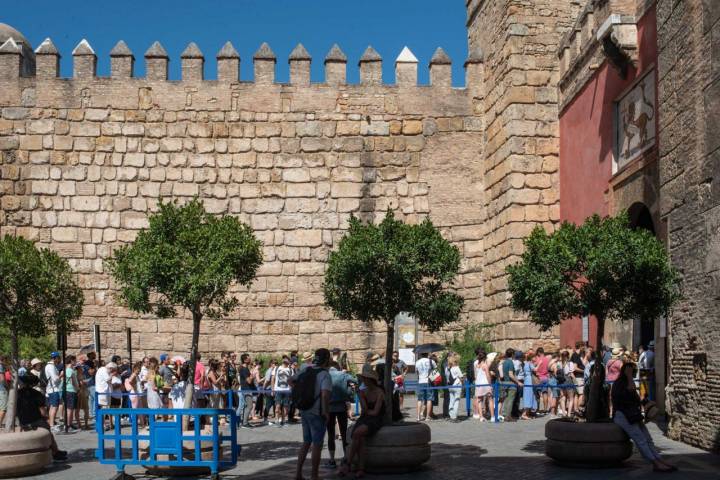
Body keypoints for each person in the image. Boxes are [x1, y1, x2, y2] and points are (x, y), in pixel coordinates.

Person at [611, 361, 677, 472]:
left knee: (648, 439)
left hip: (633, 415)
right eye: (630, 371)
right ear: (625, 372)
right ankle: (655, 463)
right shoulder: (620, 383)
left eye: (633, 371)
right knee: (640, 439)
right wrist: (628, 377)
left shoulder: (628, 382)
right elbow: (628, 392)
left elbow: (636, 398)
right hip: (623, 415)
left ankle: (659, 460)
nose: (632, 373)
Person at [339, 363, 384, 478]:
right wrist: (359, 394)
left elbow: (375, 412)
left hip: (375, 419)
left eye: (364, 379)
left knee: (357, 433)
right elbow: (364, 409)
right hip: (366, 418)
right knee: (361, 439)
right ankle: (361, 468)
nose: (363, 381)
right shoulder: (364, 391)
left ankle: (348, 463)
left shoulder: (379, 392)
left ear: (370, 380)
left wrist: (366, 411)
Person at [293, 348, 332, 480]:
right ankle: (314, 476)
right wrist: (326, 412)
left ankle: (298, 474)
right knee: (317, 444)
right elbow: (325, 394)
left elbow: (290, 380)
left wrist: (299, 393)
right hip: (316, 412)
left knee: (306, 442)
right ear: (327, 359)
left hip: (304, 410)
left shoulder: (306, 369)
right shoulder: (325, 374)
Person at [16, 374, 67, 461]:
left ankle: (55, 451)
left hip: (22, 420)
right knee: (48, 430)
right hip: (35, 420)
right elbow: (43, 412)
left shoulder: (17, 394)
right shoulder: (37, 394)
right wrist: (47, 418)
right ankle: (55, 451)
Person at [325, 361, 356, 469]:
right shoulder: (343, 374)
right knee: (344, 433)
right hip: (342, 407)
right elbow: (356, 381)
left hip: (329, 408)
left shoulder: (326, 375)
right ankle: (346, 458)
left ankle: (332, 460)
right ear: (337, 367)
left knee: (330, 435)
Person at [95, 361, 118, 430]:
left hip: (105, 392)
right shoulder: (103, 370)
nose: (112, 372)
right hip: (103, 392)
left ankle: (103, 425)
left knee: (105, 409)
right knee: (104, 409)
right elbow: (108, 380)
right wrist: (112, 375)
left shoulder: (102, 370)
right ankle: (102, 425)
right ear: (110, 368)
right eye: (112, 370)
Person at [45, 352, 64, 431]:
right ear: (55, 358)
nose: (59, 359)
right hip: (53, 389)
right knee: (54, 407)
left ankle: (51, 424)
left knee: (52, 407)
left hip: (51, 389)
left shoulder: (50, 366)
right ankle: (52, 425)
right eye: (58, 357)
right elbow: (55, 379)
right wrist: (61, 375)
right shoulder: (51, 367)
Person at [237, 353, 255, 428]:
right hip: (246, 390)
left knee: (246, 406)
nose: (250, 359)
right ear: (245, 360)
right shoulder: (244, 369)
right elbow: (249, 381)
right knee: (250, 406)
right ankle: (245, 423)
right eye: (248, 358)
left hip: (247, 389)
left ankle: (244, 422)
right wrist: (252, 376)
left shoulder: (245, 368)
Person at [500, 348, 518, 422]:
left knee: (505, 399)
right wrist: (517, 382)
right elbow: (511, 374)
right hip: (510, 383)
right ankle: (508, 416)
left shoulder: (504, 362)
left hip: (504, 382)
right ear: (513, 354)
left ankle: (504, 414)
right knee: (510, 399)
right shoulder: (510, 362)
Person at [415, 351, 434, 421]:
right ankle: (427, 417)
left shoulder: (417, 362)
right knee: (429, 399)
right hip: (429, 381)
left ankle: (418, 417)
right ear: (427, 354)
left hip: (420, 381)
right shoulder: (431, 361)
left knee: (419, 399)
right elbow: (435, 370)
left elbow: (417, 372)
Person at [447, 355, 464, 421]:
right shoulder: (457, 368)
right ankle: (454, 416)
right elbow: (461, 377)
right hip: (457, 385)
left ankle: (451, 414)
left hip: (450, 386)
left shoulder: (448, 368)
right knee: (456, 400)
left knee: (451, 400)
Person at [521, 352, 537, 420]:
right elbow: (535, 369)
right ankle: (524, 414)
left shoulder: (526, 363)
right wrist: (539, 364)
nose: (535, 358)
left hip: (527, 379)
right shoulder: (529, 363)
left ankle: (527, 413)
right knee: (529, 395)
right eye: (534, 357)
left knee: (529, 395)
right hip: (529, 380)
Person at [75, 362, 90, 430]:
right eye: (81, 367)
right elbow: (81, 384)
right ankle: (80, 424)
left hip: (83, 393)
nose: (82, 368)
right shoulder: (77, 375)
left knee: (85, 409)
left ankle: (84, 424)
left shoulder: (82, 375)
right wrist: (84, 382)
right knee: (80, 409)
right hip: (80, 393)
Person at [83, 352, 98, 419]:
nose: (95, 356)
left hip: (91, 383)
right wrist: (95, 366)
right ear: (90, 356)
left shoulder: (90, 363)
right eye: (93, 355)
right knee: (94, 398)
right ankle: (94, 414)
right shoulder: (88, 363)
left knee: (91, 399)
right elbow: (91, 372)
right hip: (90, 383)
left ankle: (91, 414)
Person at [0, 355, 8, 428]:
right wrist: (7, 386)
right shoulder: (0, 366)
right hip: (2, 389)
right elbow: (2, 379)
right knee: (3, 408)